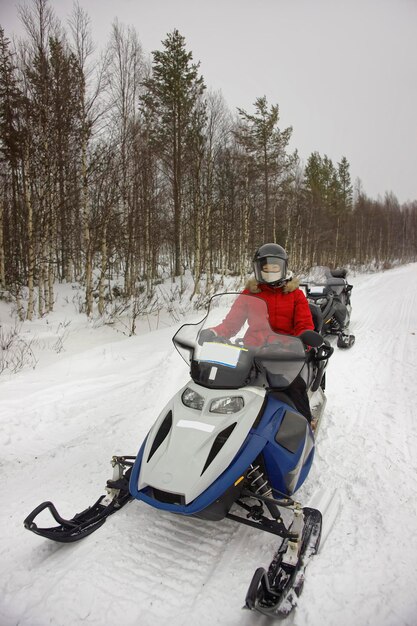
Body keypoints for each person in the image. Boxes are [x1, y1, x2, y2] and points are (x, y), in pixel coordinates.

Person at [199, 243, 315, 422]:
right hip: (252, 350)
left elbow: (304, 325)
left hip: (283, 353)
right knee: (224, 381)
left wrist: (304, 340)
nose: (270, 272)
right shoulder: (250, 293)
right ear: (258, 269)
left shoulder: (295, 295)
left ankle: (305, 424)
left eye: (274, 268)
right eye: (265, 268)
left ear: (283, 267)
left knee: (294, 387)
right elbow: (232, 323)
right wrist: (214, 332)